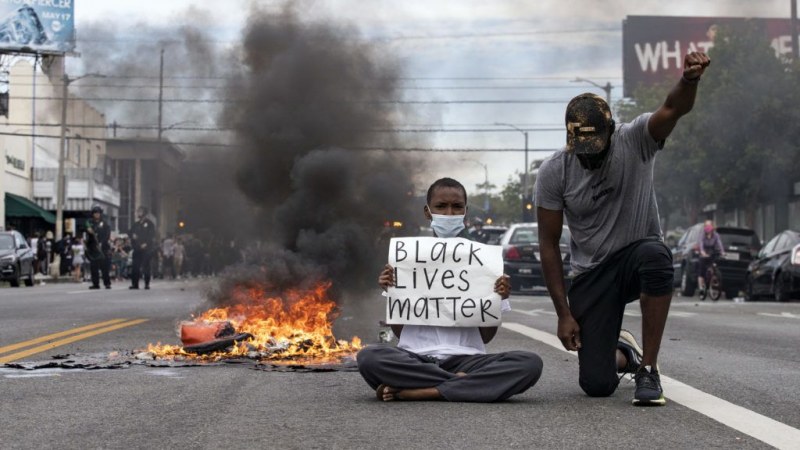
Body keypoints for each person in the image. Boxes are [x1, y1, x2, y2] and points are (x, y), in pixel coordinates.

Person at [535, 52, 711, 406]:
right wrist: (563, 314)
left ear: (611, 131)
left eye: (596, 150)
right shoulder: (554, 171)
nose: (590, 158)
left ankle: (648, 368)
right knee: (597, 384)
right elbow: (549, 244)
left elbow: (673, 109)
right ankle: (625, 354)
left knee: (656, 255)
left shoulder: (636, 140)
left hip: (635, 256)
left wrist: (689, 80)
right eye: (582, 150)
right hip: (591, 276)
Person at [357, 177, 543, 402]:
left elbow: (486, 337)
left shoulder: (484, 261)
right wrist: (393, 288)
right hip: (415, 358)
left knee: (529, 364)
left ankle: (422, 391)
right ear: (427, 212)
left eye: (457, 207)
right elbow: (398, 332)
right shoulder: (408, 259)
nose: (449, 213)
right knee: (369, 357)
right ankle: (462, 384)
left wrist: (497, 296)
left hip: (467, 359)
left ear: (465, 212)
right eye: (441, 207)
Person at [85, 205, 112, 289]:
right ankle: (95, 283)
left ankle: (107, 283)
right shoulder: (90, 222)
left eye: (98, 213)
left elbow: (107, 234)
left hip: (102, 248)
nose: (96, 215)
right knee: (94, 267)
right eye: (95, 213)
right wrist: (88, 230)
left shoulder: (104, 223)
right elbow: (87, 231)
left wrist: (102, 242)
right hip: (93, 248)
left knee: (104, 267)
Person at [130, 206, 156, 290]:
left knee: (146, 266)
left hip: (146, 248)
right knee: (135, 266)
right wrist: (132, 236)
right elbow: (130, 232)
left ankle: (146, 283)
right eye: (138, 211)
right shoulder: (136, 224)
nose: (138, 213)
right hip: (137, 248)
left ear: (144, 213)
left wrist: (146, 243)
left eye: (140, 211)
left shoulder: (150, 224)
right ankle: (135, 284)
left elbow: (151, 235)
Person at [696, 220, 724, 294]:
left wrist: (722, 252)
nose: (708, 227)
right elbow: (701, 244)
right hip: (704, 253)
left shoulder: (716, 235)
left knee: (714, 266)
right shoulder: (702, 235)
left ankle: (713, 280)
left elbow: (719, 243)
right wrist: (702, 252)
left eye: (709, 225)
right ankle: (701, 287)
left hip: (712, 252)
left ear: (712, 226)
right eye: (706, 225)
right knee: (701, 271)